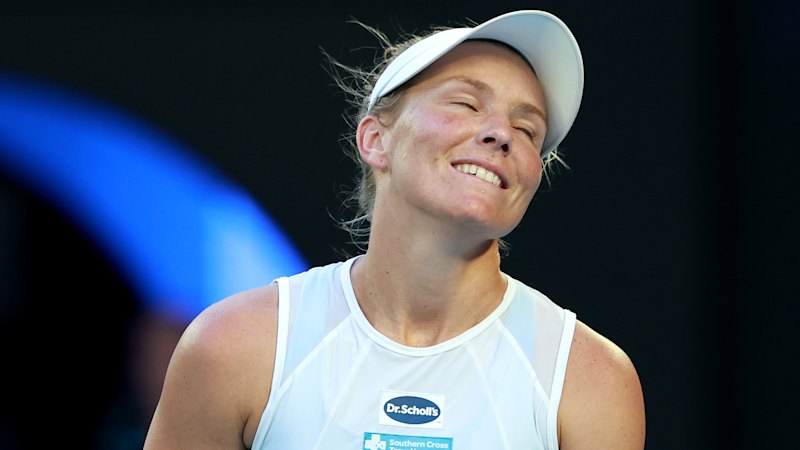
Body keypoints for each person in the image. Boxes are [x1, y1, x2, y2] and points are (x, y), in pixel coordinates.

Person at [143, 9, 645, 450]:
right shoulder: (233, 345)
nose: (501, 134)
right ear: (375, 140)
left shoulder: (589, 380)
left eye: (528, 129)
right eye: (466, 103)